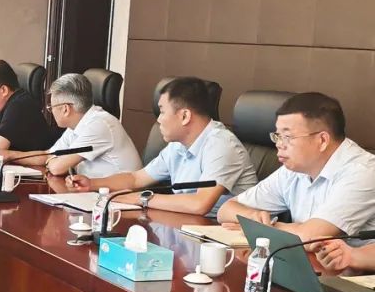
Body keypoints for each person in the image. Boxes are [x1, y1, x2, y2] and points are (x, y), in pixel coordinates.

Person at [217, 93, 375, 271]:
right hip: (308, 268)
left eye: (288, 137)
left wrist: (265, 227)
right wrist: (253, 217)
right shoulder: (294, 169)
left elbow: (311, 237)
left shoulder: (363, 172)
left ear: (322, 140)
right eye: (277, 136)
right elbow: (226, 210)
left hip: (358, 278)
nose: (279, 144)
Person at [65, 77, 258, 217]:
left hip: (224, 236)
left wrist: (141, 198)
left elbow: (200, 204)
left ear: (184, 116)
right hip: (188, 226)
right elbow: (136, 179)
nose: (158, 120)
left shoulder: (221, 145)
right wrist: (92, 184)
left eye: (162, 112)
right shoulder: (178, 146)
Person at [0, 73, 141, 177]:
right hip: (94, 192)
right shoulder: (78, 124)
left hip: (120, 199)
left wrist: (53, 160)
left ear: (65, 109)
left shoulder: (99, 125)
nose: (50, 111)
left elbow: (57, 168)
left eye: (51, 108)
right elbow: (48, 155)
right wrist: (10, 155)